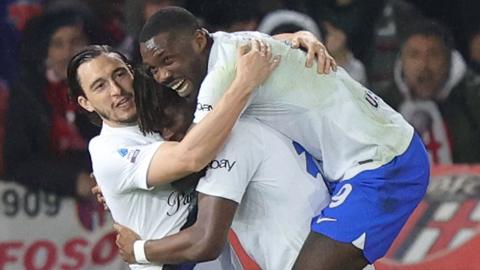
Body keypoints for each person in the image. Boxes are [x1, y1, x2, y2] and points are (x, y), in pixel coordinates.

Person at [138, 7, 430, 269]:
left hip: (385, 164)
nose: (162, 75)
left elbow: (191, 156)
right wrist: (298, 35)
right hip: (365, 158)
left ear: (199, 41)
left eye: (168, 60)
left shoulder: (221, 75)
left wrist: (136, 174)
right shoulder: (231, 44)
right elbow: (274, 43)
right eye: (154, 70)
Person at [68, 31, 332, 269]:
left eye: (119, 74)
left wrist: (294, 38)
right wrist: (244, 85)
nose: (116, 90)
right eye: (99, 86)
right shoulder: (108, 151)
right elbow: (190, 157)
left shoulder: (157, 113)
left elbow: (222, 49)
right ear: (86, 103)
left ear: (132, 72)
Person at [111, 71, 330, 269]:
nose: (166, 136)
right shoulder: (243, 125)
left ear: (194, 104)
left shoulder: (233, 139)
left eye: (168, 121)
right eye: (158, 131)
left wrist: (138, 250)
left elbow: (205, 240)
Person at [3, 7, 100, 198]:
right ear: (46, 51)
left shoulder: (110, 88)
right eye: (58, 44)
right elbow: (18, 164)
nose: (67, 53)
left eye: (76, 42)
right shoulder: (27, 95)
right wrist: (74, 181)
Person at [382, 19, 480, 164]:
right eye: (414, 55)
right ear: (401, 61)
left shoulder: (474, 100)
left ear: (449, 60)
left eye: (433, 54)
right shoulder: (382, 106)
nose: (424, 65)